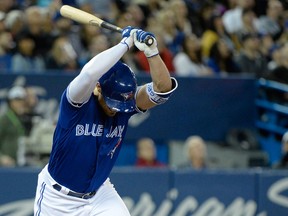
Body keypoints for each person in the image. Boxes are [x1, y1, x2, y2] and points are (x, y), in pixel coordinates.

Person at [33, 26, 178, 215]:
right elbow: (88, 74)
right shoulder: (77, 102)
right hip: (58, 198)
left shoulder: (126, 103)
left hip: (100, 194)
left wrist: (152, 53)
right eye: (112, 103)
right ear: (98, 88)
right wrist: (125, 44)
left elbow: (162, 89)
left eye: (121, 105)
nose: (116, 109)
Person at [0, 86, 27, 167]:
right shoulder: (4, 119)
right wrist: (1, 157)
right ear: (10, 102)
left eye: (22, 100)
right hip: (6, 166)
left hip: (19, 163)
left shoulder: (23, 119)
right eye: (17, 101)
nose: (20, 104)